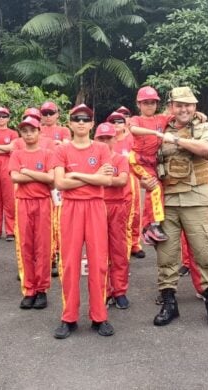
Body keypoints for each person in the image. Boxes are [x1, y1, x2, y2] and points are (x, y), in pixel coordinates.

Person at [151, 86, 208, 327]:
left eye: (189, 105)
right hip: (167, 201)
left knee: (203, 252)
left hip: (196, 198)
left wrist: (178, 140)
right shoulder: (161, 127)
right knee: (166, 255)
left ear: (195, 107)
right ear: (171, 107)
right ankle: (169, 305)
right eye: (179, 105)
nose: (184, 109)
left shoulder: (204, 126)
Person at [53, 104, 115, 339]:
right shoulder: (62, 150)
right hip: (71, 209)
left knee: (99, 262)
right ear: (70, 123)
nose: (81, 123)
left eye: (86, 119)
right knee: (69, 263)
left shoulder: (101, 148)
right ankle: (68, 317)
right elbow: (60, 183)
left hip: (95, 208)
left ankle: (99, 316)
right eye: (76, 119)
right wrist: (93, 177)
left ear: (92, 124)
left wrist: (75, 175)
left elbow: (107, 182)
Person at [9, 116, 55, 310]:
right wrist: (36, 175)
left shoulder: (47, 153)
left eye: (32, 130)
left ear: (39, 132)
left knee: (43, 247)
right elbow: (14, 177)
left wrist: (26, 172)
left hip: (43, 203)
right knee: (25, 245)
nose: (28, 134)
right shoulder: (16, 154)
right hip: (23, 203)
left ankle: (42, 289)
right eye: (25, 131)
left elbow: (51, 178)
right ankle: (29, 289)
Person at [94, 122, 131, 309]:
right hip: (97, 206)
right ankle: (105, 291)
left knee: (118, 249)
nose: (105, 141)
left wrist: (100, 179)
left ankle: (120, 290)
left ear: (115, 139)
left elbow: (123, 181)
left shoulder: (120, 159)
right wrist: (106, 180)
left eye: (109, 138)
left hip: (117, 207)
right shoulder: (92, 159)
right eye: (101, 138)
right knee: (99, 251)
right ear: (96, 139)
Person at [128, 86, 169, 243]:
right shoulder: (136, 119)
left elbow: (177, 116)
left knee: (157, 188)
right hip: (138, 159)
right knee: (154, 186)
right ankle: (152, 225)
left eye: (152, 102)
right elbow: (133, 129)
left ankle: (146, 227)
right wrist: (154, 133)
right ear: (139, 104)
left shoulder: (161, 118)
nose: (149, 105)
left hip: (153, 161)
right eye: (145, 103)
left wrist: (198, 114)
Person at [106, 111, 144, 259]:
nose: (116, 124)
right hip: (109, 182)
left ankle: (134, 243)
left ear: (125, 124)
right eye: (113, 122)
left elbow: (140, 157)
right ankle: (118, 247)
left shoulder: (132, 139)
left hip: (130, 178)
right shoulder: (106, 140)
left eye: (119, 121)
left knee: (133, 213)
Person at [0, 107, 18, 241]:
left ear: (8, 118)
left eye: (4, 116)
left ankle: (10, 230)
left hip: (7, 164)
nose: (1, 118)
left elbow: (12, 148)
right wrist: (3, 149)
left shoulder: (13, 133)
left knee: (9, 198)